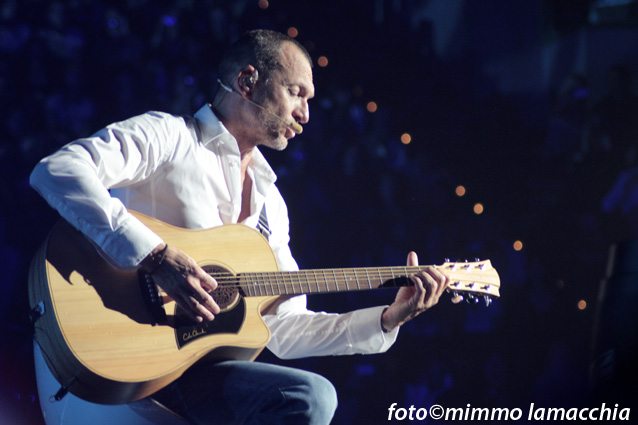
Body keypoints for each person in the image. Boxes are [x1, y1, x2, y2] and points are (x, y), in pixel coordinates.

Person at [30, 29, 450, 425]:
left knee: (312, 397)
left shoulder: (271, 205)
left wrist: (387, 319)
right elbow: (59, 170)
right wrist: (155, 256)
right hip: (116, 363)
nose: (305, 114)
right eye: (296, 92)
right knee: (312, 397)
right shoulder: (170, 136)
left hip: (193, 375)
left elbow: (284, 329)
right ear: (247, 81)